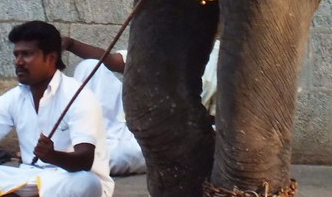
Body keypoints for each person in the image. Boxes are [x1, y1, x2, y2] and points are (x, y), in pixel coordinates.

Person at [0, 21, 112, 197]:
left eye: (27, 54)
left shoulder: (79, 96)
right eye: (16, 55)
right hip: (28, 176)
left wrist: (53, 156)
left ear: (51, 58)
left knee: (87, 183)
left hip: (68, 178)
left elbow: (85, 160)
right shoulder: (12, 98)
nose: (19, 62)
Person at [62, 36, 221, 176]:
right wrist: (71, 44)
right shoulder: (166, 41)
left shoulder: (221, 56)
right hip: (129, 114)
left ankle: (74, 157)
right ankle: (81, 141)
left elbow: (215, 119)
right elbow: (112, 60)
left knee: (117, 156)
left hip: (165, 135)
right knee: (89, 66)